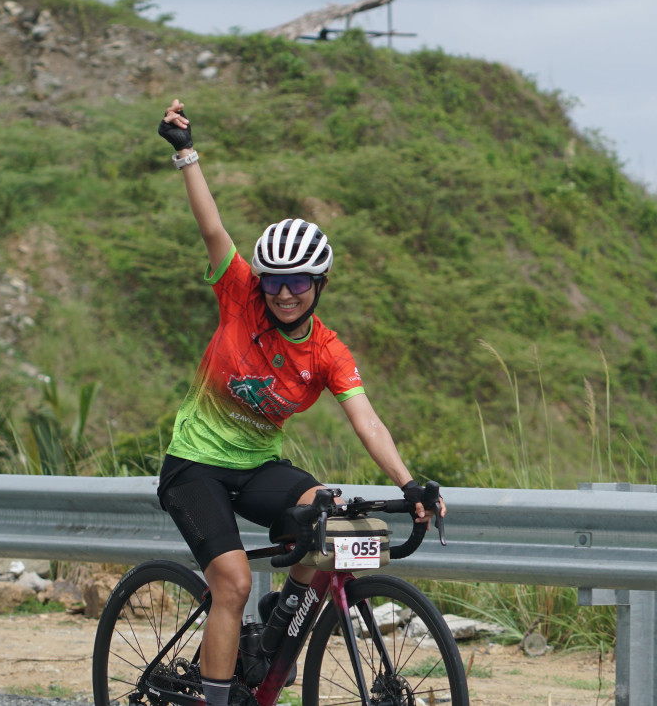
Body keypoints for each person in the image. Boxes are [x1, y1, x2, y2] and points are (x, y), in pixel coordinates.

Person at [152, 98, 443, 706]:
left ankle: (274, 631)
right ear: (260, 281)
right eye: (275, 281)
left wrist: (409, 482)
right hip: (195, 466)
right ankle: (217, 694)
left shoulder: (328, 351)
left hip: (258, 467)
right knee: (230, 581)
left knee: (330, 519)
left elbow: (366, 419)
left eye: (299, 282)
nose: (285, 294)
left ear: (319, 285)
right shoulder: (240, 298)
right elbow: (212, 229)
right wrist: (186, 152)